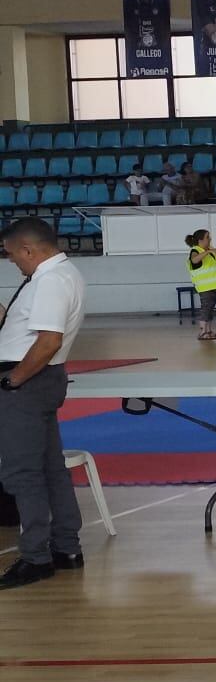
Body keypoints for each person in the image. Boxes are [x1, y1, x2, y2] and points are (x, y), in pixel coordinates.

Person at [0, 218, 88, 590]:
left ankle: (36, 557)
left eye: (11, 255)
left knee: (23, 473)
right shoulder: (61, 275)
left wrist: (14, 380)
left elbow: (48, 341)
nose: (10, 262)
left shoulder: (50, 281)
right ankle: (66, 547)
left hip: (28, 380)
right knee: (51, 467)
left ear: (28, 250)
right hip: (42, 379)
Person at [184, 228, 216, 342]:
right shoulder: (196, 250)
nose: (210, 239)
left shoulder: (210, 251)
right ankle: (202, 332)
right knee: (205, 309)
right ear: (200, 240)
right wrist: (207, 252)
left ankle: (208, 331)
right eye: (208, 237)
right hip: (205, 287)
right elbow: (194, 260)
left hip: (214, 285)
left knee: (210, 309)